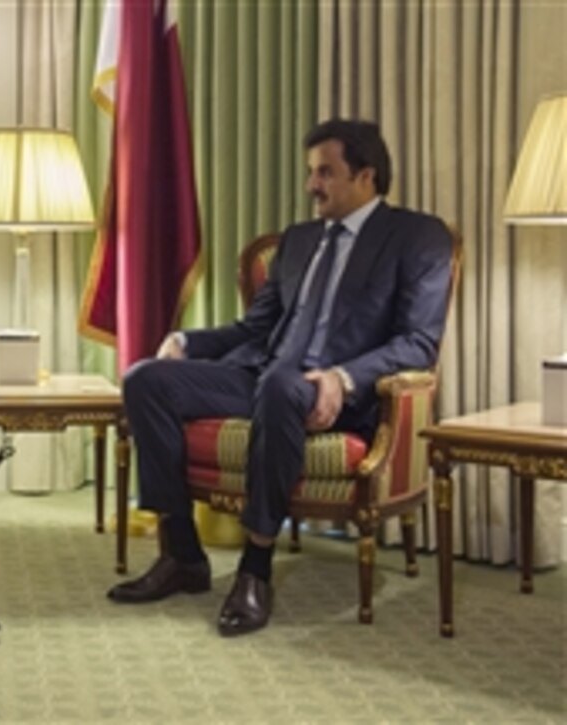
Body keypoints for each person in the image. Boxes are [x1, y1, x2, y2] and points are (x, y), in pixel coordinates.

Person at [106, 119, 453, 636]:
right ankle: (183, 554)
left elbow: (417, 343)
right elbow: (256, 326)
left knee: (280, 386)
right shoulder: (299, 239)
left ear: (366, 175)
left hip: (337, 394)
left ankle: (255, 570)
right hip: (263, 376)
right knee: (145, 379)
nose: (312, 185)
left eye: (325, 173)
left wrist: (342, 376)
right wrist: (188, 342)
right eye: (311, 172)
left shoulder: (417, 236)